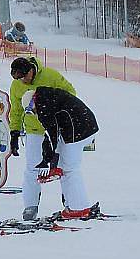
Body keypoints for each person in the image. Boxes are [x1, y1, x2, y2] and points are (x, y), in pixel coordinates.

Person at [8, 56, 76, 220]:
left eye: (24, 77)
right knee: (32, 168)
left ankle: (71, 203)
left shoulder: (50, 76)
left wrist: (57, 110)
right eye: (19, 78)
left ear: (31, 70)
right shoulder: (17, 85)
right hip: (34, 130)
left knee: (64, 167)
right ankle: (30, 207)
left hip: (57, 129)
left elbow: (71, 94)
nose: (23, 81)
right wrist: (14, 133)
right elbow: (16, 110)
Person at [30, 86, 99, 219]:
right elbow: (51, 136)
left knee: (70, 169)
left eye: (31, 111)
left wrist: (47, 162)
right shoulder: (46, 98)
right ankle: (72, 206)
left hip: (79, 130)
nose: (34, 114)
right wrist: (53, 165)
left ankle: (79, 208)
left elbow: (51, 135)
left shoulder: (43, 105)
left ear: (32, 104)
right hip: (84, 127)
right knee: (65, 169)